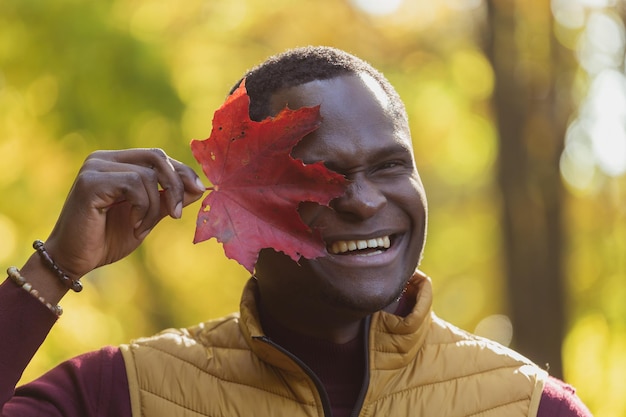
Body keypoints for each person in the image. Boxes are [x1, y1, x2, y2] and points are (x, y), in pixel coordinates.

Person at [0, 46, 592, 417]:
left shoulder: (529, 406)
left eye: (389, 166)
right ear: (247, 206)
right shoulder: (121, 394)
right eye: (319, 176)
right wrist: (52, 269)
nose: (363, 201)